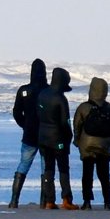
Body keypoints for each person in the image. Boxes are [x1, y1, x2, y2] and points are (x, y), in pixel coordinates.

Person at [73, 76, 110, 209]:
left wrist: (77, 141)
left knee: (87, 175)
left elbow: (77, 126)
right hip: (104, 146)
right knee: (104, 175)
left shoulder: (83, 107)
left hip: (87, 145)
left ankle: (87, 202)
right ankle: (107, 203)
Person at [36, 67, 77, 210]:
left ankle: (49, 200)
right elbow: (65, 122)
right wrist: (69, 136)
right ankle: (66, 199)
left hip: (43, 137)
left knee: (48, 168)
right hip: (58, 139)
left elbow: (38, 115)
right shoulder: (60, 99)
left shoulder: (42, 94)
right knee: (63, 169)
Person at [8, 59, 48, 207]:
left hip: (29, 134)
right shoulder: (49, 91)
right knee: (46, 169)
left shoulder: (24, 90)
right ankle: (44, 202)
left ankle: (14, 200)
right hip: (46, 134)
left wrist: (25, 125)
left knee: (23, 165)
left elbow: (17, 112)